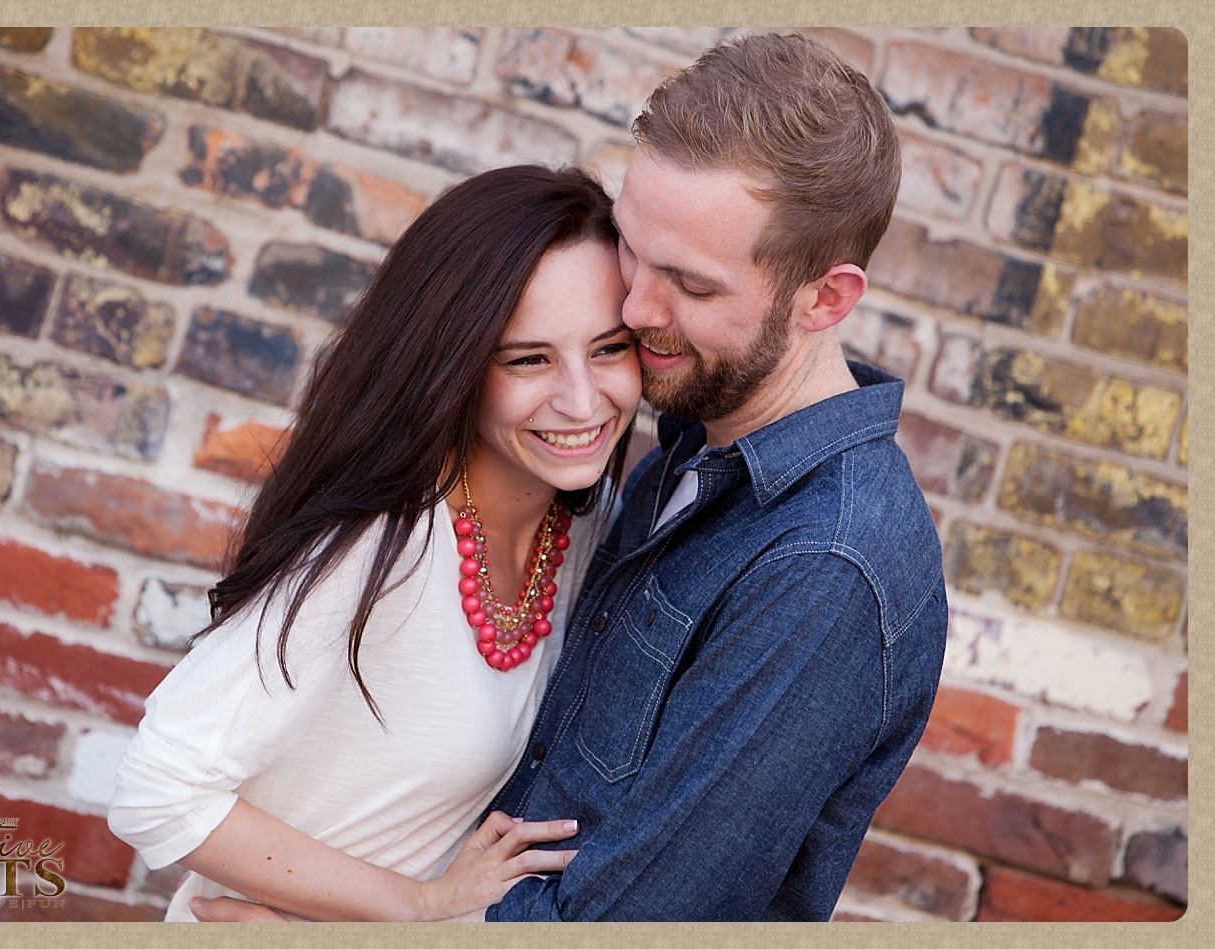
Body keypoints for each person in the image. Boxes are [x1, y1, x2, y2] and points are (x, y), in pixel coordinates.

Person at [194, 30, 948, 924]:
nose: (634, 309)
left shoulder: (826, 567)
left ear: (824, 298)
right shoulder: (681, 441)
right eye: (632, 247)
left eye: (691, 287)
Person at [107, 164, 643, 921]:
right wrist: (417, 906)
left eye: (610, 348)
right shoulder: (380, 536)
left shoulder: (589, 522)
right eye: (529, 358)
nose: (583, 400)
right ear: (455, 364)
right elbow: (159, 789)